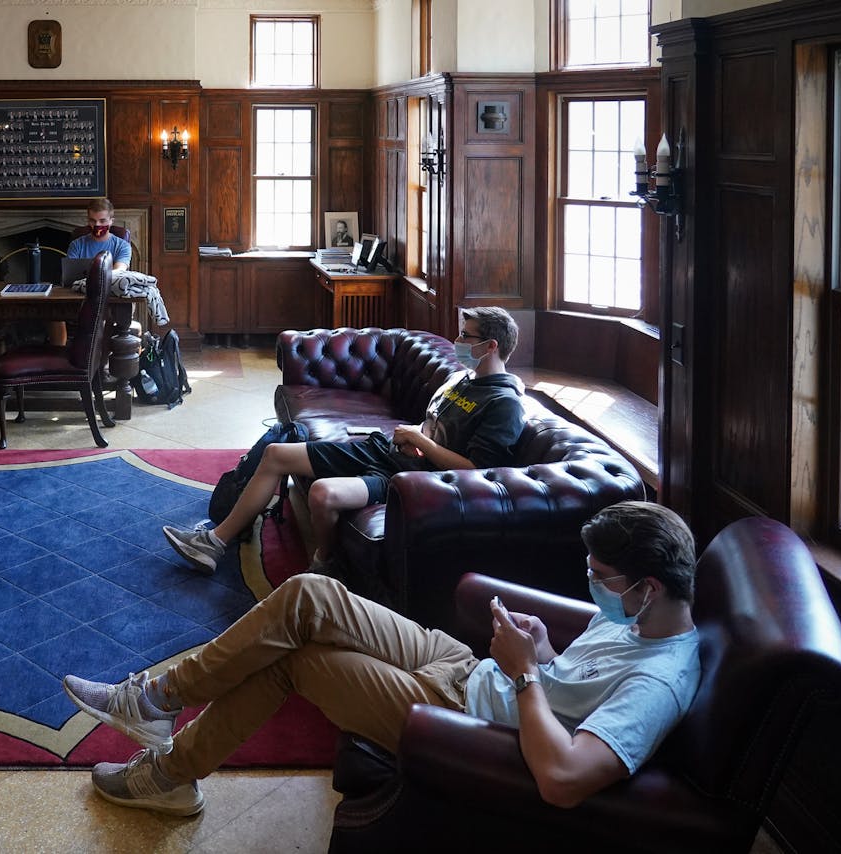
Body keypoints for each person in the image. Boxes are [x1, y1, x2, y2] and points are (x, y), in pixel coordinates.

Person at [63, 500, 702, 817]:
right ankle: (154, 699)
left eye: (600, 577)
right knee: (310, 597)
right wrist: (543, 651)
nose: (592, 585)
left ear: (647, 587)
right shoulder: (640, 615)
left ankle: (169, 769)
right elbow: (574, 683)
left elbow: (564, 779)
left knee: (297, 659)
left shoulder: (660, 682)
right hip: (463, 665)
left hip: (467, 712)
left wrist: (527, 674)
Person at [164, 306, 526, 575]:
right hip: (390, 452)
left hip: (413, 481)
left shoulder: (503, 403)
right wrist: (411, 435)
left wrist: (423, 443)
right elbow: (433, 423)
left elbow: (481, 470)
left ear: (490, 345)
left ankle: (325, 566)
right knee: (275, 453)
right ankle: (215, 542)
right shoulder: (463, 379)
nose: (457, 342)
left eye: (466, 336)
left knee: (322, 494)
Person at [49, 197, 132, 345]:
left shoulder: (122, 246)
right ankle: (59, 356)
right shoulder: (77, 244)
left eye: (102, 221)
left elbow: (118, 272)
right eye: (92, 221)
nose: (97, 225)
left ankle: (102, 362)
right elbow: (70, 274)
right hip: (79, 296)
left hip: (108, 297)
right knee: (54, 313)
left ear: (111, 221)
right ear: (88, 220)